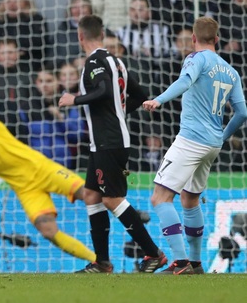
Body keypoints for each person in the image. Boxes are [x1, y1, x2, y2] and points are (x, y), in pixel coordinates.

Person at [58, 14, 167, 273]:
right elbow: (140, 96)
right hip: (103, 141)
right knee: (92, 196)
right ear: (102, 34)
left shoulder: (95, 60)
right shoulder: (117, 62)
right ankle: (102, 262)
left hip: (109, 141)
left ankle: (154, 254)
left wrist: (74, 99)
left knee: (111, 199)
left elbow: (105, 90)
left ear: (80, 35)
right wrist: (118, 112)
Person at [143, 17, 247, 275]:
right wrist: (222, 137)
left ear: (193, 38)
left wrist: (159, 99)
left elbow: (185, 82)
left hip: (191, 139)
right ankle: (196, 263)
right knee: (190, 200)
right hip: (212, 143)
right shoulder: (230, 71)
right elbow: (242, 113)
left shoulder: (195, 58)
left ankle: (180, 261)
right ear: (217, 39)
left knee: (160, 198)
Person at [0, 107, 97, 265]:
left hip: (43, 170)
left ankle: (128, 212)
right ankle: (96, 261)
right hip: (25, 188)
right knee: (48, 231)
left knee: (89, 195)